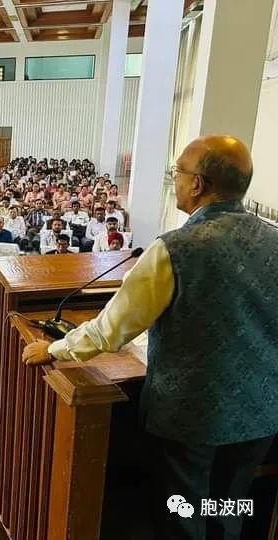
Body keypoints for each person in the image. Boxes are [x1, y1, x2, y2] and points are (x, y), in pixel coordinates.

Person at [23, 135, 277, 540]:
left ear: (198, 184)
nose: (174, 179)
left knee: (184, 516)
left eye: (178, 171)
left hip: (193, 417)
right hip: (260, 414)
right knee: (229, 509)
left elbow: (111, 330)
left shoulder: (176, 249)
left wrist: (53, 347)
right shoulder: (275, 241)